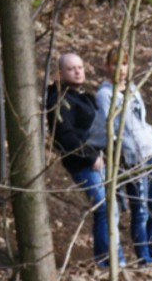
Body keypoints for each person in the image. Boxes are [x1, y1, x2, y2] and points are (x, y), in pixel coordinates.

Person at [44, 51, 123, 268]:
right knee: (104, 207)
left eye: (80, 67)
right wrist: (90, 157)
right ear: (60, 73)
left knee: (111, 208)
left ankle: (114, 260)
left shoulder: (82, 96)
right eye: (71, 69)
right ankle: (108, 262)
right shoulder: (60, 100)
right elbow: (65, 136)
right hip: (83, 163)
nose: (78, 72)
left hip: (99, 159)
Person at [98, 47, 152, 267]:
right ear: (108, 67)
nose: (122, 70)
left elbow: (141, 121)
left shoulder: (133, 89)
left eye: (125, 64)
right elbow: (112, 129)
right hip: (132, 159)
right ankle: (144, 259)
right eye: (117, 65)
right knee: (141, 211)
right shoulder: (105, 95)